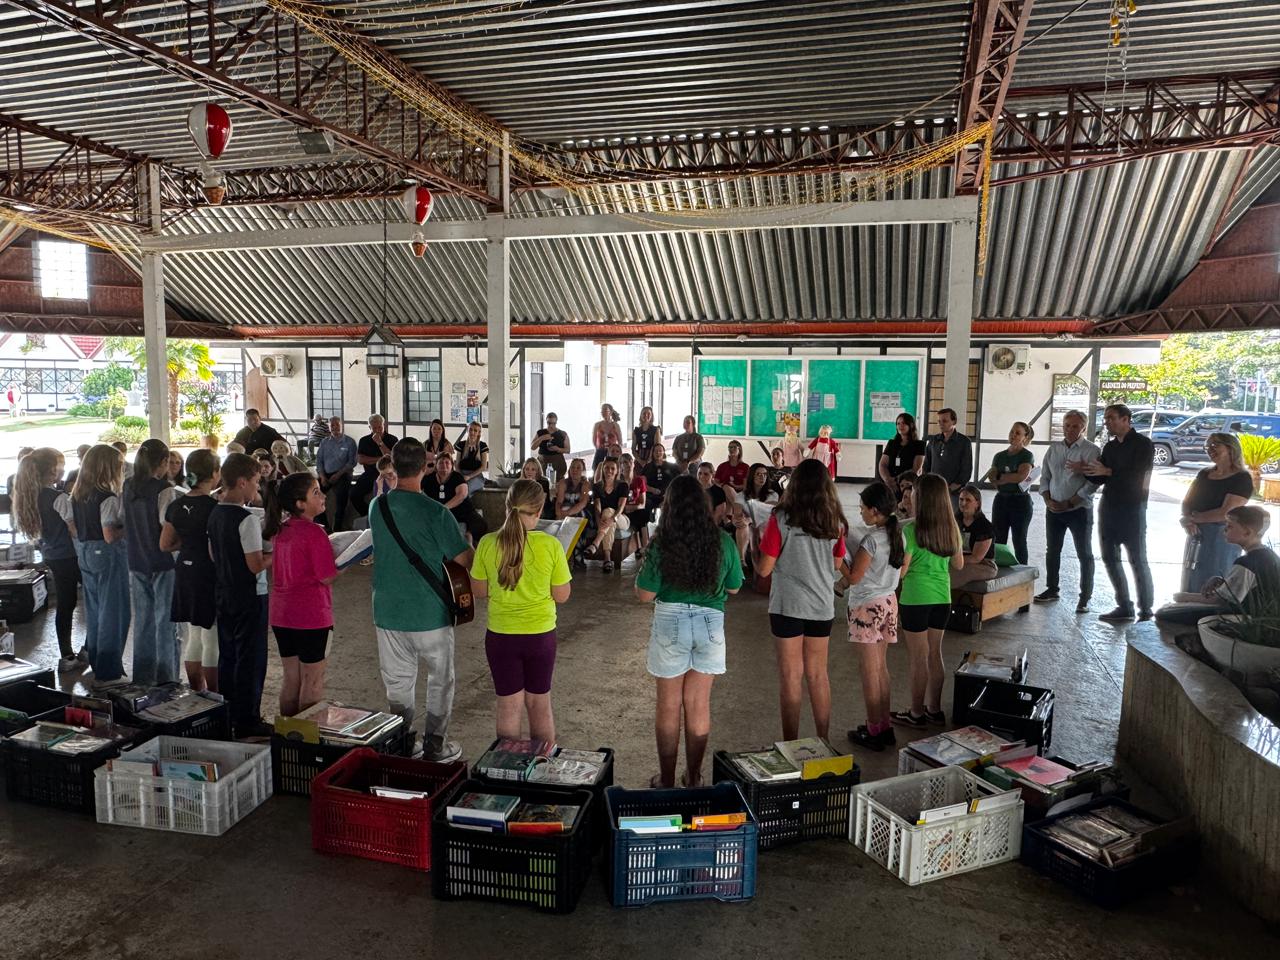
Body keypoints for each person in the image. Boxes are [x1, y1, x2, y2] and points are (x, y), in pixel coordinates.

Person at [635, 474, 743, 788]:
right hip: (710, 624)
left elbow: (644, 595)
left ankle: (667, 780)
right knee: (698, 705)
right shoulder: (722, 541)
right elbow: (735, 587)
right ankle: (694, 777)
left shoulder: (662, 542)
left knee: (669, 706)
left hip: (671, 622)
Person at [369, 437, 473, 762]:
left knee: (398, 683)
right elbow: (464, 560)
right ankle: (435, 745)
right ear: (425, 467)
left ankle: (402, 743)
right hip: (430, 612)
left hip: (388, 611)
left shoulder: (377, 508)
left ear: (393, 466)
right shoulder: (436, 513)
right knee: (440, 679)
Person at [470, 479, 572, 742]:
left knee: (508, 706)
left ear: (507, 506)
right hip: (540, 637)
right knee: (540, 705)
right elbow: (562, 596)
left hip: (501, 637)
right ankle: (543, 764)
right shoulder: (551, 545)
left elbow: (478, 591)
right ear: (539, 511)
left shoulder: (487, 543)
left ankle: (508, 764)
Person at [754, 459, 846, 741]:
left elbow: (764, 569)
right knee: (818, 675)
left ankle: (791, 744)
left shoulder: (781, 518)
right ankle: (823, 740)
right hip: (821, 607)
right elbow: (837, 563)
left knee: (791, 677)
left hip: (788, 606)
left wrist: (754, 546)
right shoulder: (835, 521)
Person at [265, 472, 345, 717]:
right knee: (312, 680)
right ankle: (306, 736)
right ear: (300, 504)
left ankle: (286, 732)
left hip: (282, 615)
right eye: (316, 493)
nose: (323, 497)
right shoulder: (314, 533)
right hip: (311, 616)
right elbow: (326, 576)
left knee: (291, 679)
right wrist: (347, 562)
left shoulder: (280, 529)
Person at [208, 453, 271, 739]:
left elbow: (213, 554)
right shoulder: (247, 519)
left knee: (229, 654)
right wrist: (276, 553)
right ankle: (248, 719)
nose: (257, 488)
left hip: (224, 590)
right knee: (251, 658)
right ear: (242, 482)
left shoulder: (215, 513)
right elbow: (255, 564)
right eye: (256, 482)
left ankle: (230, 712)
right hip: (249, 594)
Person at [892, 473, 963, 727]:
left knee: (918, 658)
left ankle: (916, 713)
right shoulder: (951, 528)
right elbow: (959, 564)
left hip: (915, 599)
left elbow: (902, 572)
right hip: (942, 598)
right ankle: (934, 709)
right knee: (935, 653)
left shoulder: (910, 530)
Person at [1073, 403, 1156, 623]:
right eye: (1106, 419)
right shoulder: (1110, 447)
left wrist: (1108, 471)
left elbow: (1139, 475)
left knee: (1137, 559)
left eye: (1111, 418)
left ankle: (1146, 609)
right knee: (1110, 557)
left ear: (1126, 419)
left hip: (1133, 507)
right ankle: (1124, 605)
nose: (1107, 422)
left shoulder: (1143, 444)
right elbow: (1100, 476)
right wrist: (1086, 470)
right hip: (1109, 506)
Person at [842, 482, 906, 751]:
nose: (860, 513)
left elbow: (854, 577)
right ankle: (884, 725)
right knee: (881, 668)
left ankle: (873, 729)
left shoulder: (871, 541)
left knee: (869, 672)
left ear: (875, 510)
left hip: (866, 607)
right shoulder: (898, 536)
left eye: (863, 509)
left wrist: (839, 560)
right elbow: (900, 571)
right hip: (888, 603)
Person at [12, 448, 82, 670]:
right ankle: (81, 652)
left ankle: (67, 654)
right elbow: (74, 530)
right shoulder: (58, 498)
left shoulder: (29, 496)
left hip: (51, 554)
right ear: (52, 470)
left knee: (65, 603)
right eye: (60, 465)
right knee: (89, 599)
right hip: (69, 554)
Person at [1158, 505, 1278, 631]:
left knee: (1164, 613)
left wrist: (1185, 597)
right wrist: (1223, 582)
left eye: (1230, 526)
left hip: (1250, 618)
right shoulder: (1268, 554)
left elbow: (1222, 600)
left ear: (1247, 532)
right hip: (1264, 616)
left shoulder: (1247, 562)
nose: (1224, 530)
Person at [159, 449, 220, 693]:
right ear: (215, 474)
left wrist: (187, 542)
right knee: (211, 636)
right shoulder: (215, 507)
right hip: (207, 571)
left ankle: (197, 690)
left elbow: (165, 545)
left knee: (193, 635)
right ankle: (215, 693)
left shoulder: (176, 505)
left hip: (184, 569)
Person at [123, 438, 182, 687]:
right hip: (161, 560)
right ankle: (167, 678)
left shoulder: (128, 485)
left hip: (136, 558)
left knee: (143, 621)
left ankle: (143, 676)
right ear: (163, 461)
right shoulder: (164, 489)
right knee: (165, 621)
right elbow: (165, 524)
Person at [71, 444, 130, 689]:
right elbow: (109, 534)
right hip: (106, 553)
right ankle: (109, 672)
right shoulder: (107, 497)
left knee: (95, 611)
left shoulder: (77, 494)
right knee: (113, 613)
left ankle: (97, 662)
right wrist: (130, 526)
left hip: (85, 551)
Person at [1037, 410, 1100, 612]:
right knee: (1052, 551)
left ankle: (1085, 598)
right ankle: (1052, 589)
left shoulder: (1092, 450)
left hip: (1079, 510)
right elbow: (1045, 476)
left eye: (1075, 426)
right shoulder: (1054, 448)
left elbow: (1093, 483)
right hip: (1054, 509)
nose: (1070, 429)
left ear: (1083, 428)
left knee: (1084, 553)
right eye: (1067, 425)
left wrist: (1070, 503)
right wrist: (1047, 499)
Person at [1180, 432, 1254, 593]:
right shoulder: (1204, 474)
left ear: (1231, 448)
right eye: (1207, 446)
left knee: (1213, 583)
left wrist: (1193, 519)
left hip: (1222, 537)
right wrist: (1187, 518)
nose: (1210, 449)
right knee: (1190, 579)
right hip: (1196, 533)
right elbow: (1187, 502)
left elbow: (1226, 512)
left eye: (1215, 445)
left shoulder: (1242, 478)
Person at [985, 421, 1035, 565]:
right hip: (1001, 500)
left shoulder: (1027, 455)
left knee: (1019, 539)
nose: (1013, 435)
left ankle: (1023, 571)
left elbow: (1021, 477)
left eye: (1018, 433)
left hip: (1020, 501)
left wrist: (1002, 477)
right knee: (998, 539)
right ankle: (998, 568)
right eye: (1012, 431)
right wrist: (1006, 478)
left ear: (1025, 438)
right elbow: (993, 478)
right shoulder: (999, 456)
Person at [423, 451, 487, 545]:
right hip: (438, 513)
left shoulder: (457, 477)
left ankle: (469, 539)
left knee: (480, 524)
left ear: (452, 465)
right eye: (441, 463)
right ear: (436, 465)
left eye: (447, 463)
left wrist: (444, 508)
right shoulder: (429, 478)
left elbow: (461, 494)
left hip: (462, 512)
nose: (444, 465)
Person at [923, 407, 973, 510]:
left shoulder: (964, 442)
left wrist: (950, 488)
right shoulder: (934, 440)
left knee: (951, 518)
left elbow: (966, 469)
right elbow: (926, 464)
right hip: (933, 490)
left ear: (954, 421)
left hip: (954, 492)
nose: (941, 424)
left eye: (945, 421)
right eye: (939, 421)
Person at [586, 458, 629, 572]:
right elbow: (597, 507)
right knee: (606, 514)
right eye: (607, 468)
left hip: (621, 519)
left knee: (609, 511)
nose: (609, 471)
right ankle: (607, 559)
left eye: (612, 468)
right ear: (603, 469)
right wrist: (598, 521)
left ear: (617, 471)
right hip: (606, 520)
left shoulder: (623, 485)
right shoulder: (597, 486)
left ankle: (596, 543)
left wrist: (613, 519)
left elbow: (621, 507)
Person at [316, 416, 358, 532]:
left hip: (343, 474)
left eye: (337, 425)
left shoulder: (350, 442)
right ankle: (324, 526)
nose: (335, 427)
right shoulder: (324, 442)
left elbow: (352, 462)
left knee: (341, 498)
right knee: (314, 495)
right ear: (329, 427)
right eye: (332, 425)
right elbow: (319, 461)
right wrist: (322, 477)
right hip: (326, 474)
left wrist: (338, 475)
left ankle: (338, 528)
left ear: (341, 425)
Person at [952, 484, 998, 588]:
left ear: (977, 503)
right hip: (958, 560)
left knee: (956, 573)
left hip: (983, 564)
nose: (963, 503)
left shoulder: (985, 526)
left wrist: (952, 560)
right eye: (961, 499)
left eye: (968, 500)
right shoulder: (954, 521)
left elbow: (976, 558)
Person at [353, 415, 399, 515]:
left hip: (388, 474)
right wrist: (381, 459)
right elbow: (361, 460)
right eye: (374, 428)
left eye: (380, 427)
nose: (378, 430)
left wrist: (380, 443)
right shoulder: (364, 440)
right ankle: (369, 515)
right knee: (354, 495)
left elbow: (393, 459)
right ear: (370, 427)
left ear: (384, 425)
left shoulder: (393, 439)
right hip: (370, 473)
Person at [879, 413, 926, 493]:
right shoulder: (891, 443)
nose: (900, 426)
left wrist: (898, 481)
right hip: (890, 485)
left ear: (911, 425)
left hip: (908, 485)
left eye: (903, 423)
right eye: (898, 423)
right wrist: (887, 479)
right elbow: (882, 464)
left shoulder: (919, 445)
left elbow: (916, 469)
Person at [620, 453, 650, 556]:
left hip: (636, 511)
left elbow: (642, 504)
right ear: (620, 466)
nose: (627, 464)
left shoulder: (639, 480)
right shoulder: (619, 483)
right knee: (640, 516)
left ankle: (645, 547)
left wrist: (632, 507)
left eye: (630, 461)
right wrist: (626, 508)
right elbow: (618, 503)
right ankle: (642, 547)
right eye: (624, 462)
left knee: (643, 513)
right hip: (623, 512)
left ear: (633, 464)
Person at [531, 412, 570, 483]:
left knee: (557, 482)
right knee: (541, 482)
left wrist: (558, 449)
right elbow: (532, 447)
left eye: (553, 423)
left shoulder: (562, 434)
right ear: (546, 421)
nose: (551, 425)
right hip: (543, 462)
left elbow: (568, 450)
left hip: (557, 462)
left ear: (556, 422)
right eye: (549, 423)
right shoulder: (540, 432)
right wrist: (542, 438)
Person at [642, 442, 679, 515]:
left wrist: (669, 493)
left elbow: (677, 482)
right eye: (656, 451)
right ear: (652, 453)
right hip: (651, 496)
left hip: (668, 495)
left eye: (660, 451)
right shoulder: (647, 467)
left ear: (663, 452)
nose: (658, 453)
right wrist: (652, 490)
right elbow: (642, 484)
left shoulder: (672, 467)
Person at [454, 421, 489, 494]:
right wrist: (461, 476)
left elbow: (483, 467)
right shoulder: (461, 445)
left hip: (477, 477)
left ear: (479, 433)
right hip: (462, 475)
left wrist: (469, 476)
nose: (472, 432)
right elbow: (457, 465)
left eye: (475, 430)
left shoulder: (482, 446)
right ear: (467, 430)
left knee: (466, 488)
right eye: (471, 429)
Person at [591, 403, 622, 469]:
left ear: (611, 412)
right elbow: (594, 441)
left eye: (605, 410)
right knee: (598, 470)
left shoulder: (616, 425)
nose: (603, 412)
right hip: (600, 452)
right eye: (602, 411)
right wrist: (599, 449)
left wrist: (617, 453)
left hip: (612, 453)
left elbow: (620, 442)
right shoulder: (597, 425)